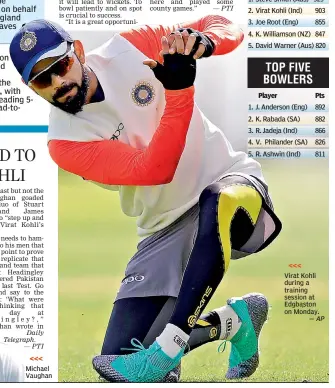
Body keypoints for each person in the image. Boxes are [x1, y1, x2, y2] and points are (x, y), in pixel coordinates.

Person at [10, 16, 282, 383]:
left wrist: (205, 42)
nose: (58, 82)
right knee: (119, 358)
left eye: (60, 66)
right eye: (43, 79)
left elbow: (223, 25)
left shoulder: (129, 48)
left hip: (232, 186)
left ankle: (168, 349)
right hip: (163, 226)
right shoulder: (64, 144)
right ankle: (236, 321)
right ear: (31, 88)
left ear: (77, 51)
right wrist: (180, 92)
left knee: (217, 200)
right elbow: (156, 169)